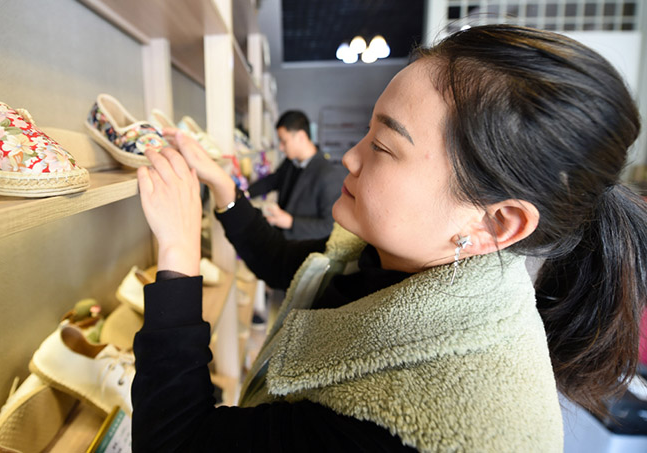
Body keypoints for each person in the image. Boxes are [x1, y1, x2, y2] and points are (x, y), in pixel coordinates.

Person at [131, 25, 647, 451]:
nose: (351, 157)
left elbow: (179, 441)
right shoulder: (397, 256)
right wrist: (223, 187)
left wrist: (178, 255)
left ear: (497, 223)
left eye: (382, 144)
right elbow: (288, 265)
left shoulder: (433, 424)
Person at [248, 110, 345, 240]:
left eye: (284, 141)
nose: (281, 148)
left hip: (302, 248)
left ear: (301, 137)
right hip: (281, 241)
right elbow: (273, 180)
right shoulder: (290, 162)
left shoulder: (327, 174)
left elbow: (329, 226)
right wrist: (245, 193)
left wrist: (290, 222)